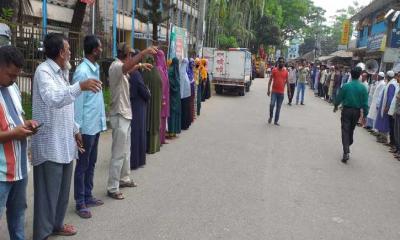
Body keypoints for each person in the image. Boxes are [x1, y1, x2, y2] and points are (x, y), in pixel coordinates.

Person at [31, 33, 102, 239]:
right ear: (61, 52)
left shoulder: (63, 72)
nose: (71, 52)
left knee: (62, 191)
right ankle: (42, 233)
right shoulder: (43, 72)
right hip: (49, 142)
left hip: (64, 140)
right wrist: (79, 86)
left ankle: (57, 224)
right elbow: (53, 98)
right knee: (47, 193)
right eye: (68, 49)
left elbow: (67, 106)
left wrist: (75, 130)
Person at [107, 43, 157, 200]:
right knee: (118, 153)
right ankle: (112, 187)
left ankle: (124, 178)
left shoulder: (122, 68)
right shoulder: (116, 66)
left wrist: (140, 64)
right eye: (131, 55)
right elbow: (127, 67)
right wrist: (143, 53)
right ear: (127, 56)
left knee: (126, 151)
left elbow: (129, 68)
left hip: (125, 114)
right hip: (119, 114)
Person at [0, 46, 37, 240]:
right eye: (10, 75)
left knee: (18, 216)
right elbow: (11, 130)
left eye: (16, 75)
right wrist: (14, 133)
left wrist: (26, 124)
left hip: (20, 167)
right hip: (1, 172)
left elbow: (16, 118)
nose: (14, 80)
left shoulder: (12, 88)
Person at [72, 35, 107, 218]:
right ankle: (80, 202)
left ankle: (87, 194)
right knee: (82, 165)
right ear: (94, 50)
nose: (102, 49)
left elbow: (95, 99)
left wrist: (102, 121)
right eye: (100, 47)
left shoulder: (95, 68)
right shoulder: (82, 72)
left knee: (91, 163)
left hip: (95, 125)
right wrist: (76, 129)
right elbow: (77, 103)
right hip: (85, 128)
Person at [334, 66, 368, 163]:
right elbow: (365, 103)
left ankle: (346, 150)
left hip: (347, 111)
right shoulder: (363, 87)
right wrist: (365, 115)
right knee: (351, 129)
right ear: (360, 75)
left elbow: (339, 97)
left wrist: (336, 106)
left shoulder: (346, 86)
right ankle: (347, 147)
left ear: (351, 75)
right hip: (356, 112)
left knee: (345, 130)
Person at [129, 50, 152, 169]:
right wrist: (148, 93)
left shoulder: (128, 72)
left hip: (131, 104)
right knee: (138, 134)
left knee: (134, 134)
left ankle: (133, 160)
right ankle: (136, 161)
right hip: (138, 106)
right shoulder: (136, 74)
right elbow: (144, 92)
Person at [142, 56, 162, 154]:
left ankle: (144, 146)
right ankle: (153, 147)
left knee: (146, 121)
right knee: (153, 120)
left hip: (145, 104)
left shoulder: (143, 74)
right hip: (155, 104)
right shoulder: (157, 74)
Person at [374, 71, 397, 145]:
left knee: (384, 122)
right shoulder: (389, 83)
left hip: (386, 106)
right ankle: (380, 136)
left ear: (388, 76)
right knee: (381, 121)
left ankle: (383, 138)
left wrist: (387, 106)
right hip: (383, 105)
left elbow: (390, 97)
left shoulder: (391, 85)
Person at [267, 57, 289, 126]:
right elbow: (270, 80)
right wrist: (268, 90)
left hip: (281, 93)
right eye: (280, 62)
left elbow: (287, 82)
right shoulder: (274, 70)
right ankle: (271, 116)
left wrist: (289, 92)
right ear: (278, 62)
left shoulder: (286, 72)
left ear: (284, 63)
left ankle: (276, 121)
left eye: (283, 62)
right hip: (274, 92)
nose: (281, 63)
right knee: (272, 105)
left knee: (278, 107)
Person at [155, 49, 170, 145]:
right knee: (160, 118)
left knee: (163, 118)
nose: (164, 58)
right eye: (162, 56)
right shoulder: (159, 69)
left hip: (165, 97)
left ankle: (162, 138)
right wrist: (163, 98)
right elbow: (162, 85)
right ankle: (159, 140)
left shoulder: (163, 69)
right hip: (162, 98)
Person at [167, 57, 181, 138]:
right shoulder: (172, 70)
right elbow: (171, 81)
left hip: (174, 94)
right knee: (173, 112)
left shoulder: (172, 69)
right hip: (173, 94)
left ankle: (173, 131)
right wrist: (175, 87)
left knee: (174, 112)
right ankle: (172, 131)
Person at [180, 58, 192, 130]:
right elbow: (181, 85)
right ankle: (184, 125)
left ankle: (186, 124)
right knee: (184, 111)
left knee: (186, 110)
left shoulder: (184, 72)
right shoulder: (182, 72)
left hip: (186, 95)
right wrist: (181, 96)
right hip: (183, 96)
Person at [391, 71, 400, 159]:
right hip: (397, 111)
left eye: (398, 76)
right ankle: (397, 148)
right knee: (396, 131)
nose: (397, 78)